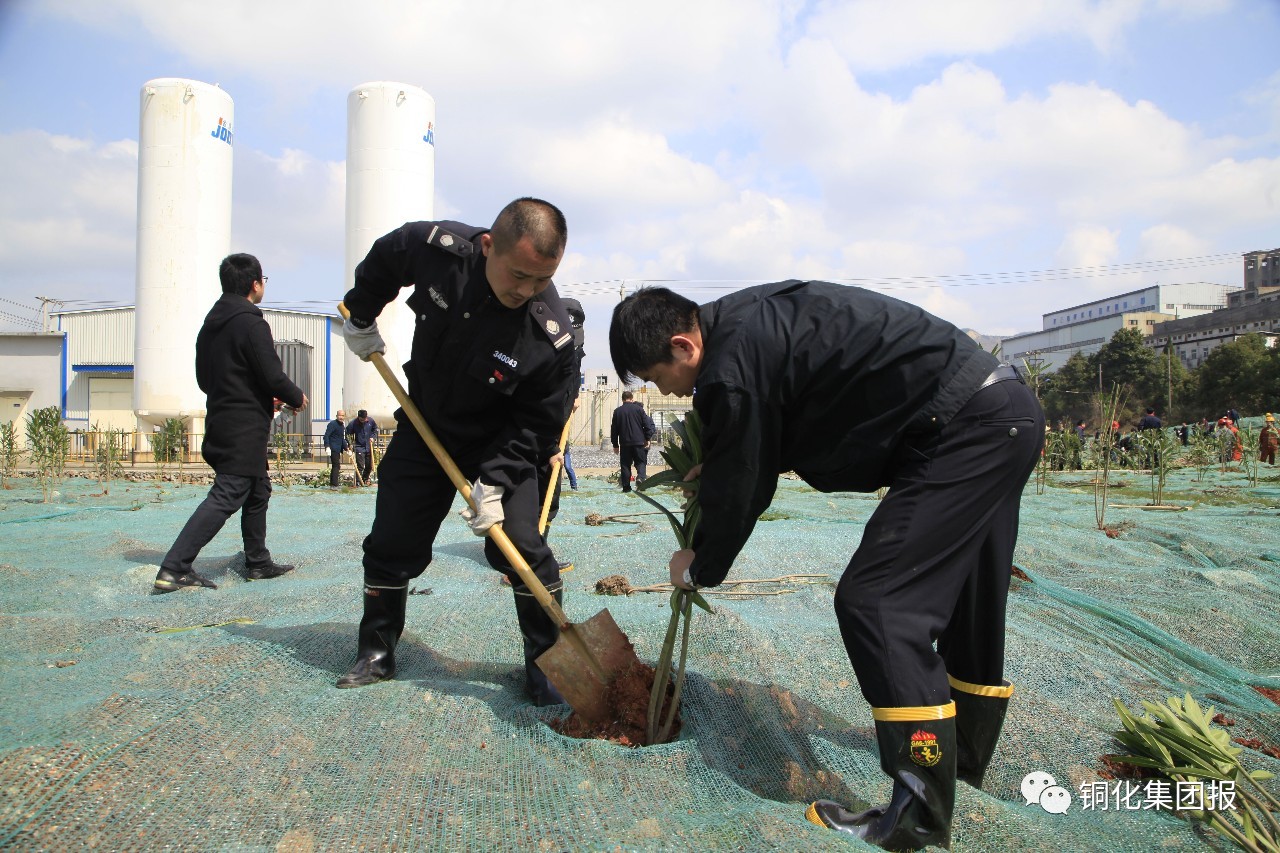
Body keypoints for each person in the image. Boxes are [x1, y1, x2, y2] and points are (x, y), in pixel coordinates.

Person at [609, 283, 1043, 851]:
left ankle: (916, 817)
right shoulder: (749, 322)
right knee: (971, 601)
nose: (663, 390)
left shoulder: (731, 362)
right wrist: (720, 463)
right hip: (1002, 413)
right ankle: (959, 766)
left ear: (683, 345)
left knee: (879, 603)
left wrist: (699, 565)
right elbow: (780, 421)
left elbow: (745, 486)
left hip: (963, 432)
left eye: (657, 375)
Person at [336, 197, 579, 707]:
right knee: (392, 539)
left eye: (541, 281)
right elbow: (387, 256)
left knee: (520, 546)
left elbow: (539, 422)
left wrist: (495, 478)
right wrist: (362, 313)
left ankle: (546, 663)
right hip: (427, 429)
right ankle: (375, 649)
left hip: (500, 445)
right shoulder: (437, 249)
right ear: (487, 246)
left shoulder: (550, 334)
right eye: (517, 275)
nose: (526, 291)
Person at [154, 253, 306, 592]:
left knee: (258, 489)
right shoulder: (251, 323)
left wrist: (248, 396)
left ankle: (258, 562)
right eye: (263, 281)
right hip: (244, 427)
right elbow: (271, 373)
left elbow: (206, 379)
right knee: (229, 493)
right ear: (255, 284)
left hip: (223, 416)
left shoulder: (211, 325)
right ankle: (174, 568)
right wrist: (295, 396)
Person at [610, 390, 656, 491]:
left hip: (625, 443)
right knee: (640, 462)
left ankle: (626, 487)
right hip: (639, 442)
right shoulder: (639, 409)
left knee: (625, 465)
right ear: (632, 398)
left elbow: (614, 429)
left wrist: (615, 445)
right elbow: (647, 425)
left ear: (622, 399)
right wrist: (647, 438)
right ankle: (640, 478)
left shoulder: (617, 411)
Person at [346, 409, 379, 485]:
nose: (363, 420)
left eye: (364, 419)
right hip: (359, 447)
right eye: (361, 419)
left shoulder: (370, 421)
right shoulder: (353, 423)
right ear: (358, 417)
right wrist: (350, 443)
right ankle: (358, 481)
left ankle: (365, 479)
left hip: (369, 446)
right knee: (360, 466)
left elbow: (375, 429)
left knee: (369, 466)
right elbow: (348, 434)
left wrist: (373, 437)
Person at [323, 409, 350, 488]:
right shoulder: (332, 424)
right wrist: (327, 446)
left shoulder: (342, 426)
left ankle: (333, 484)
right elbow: (326, 436)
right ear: (336, 416)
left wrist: (346, 448)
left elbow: (342, 439)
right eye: (339, 415)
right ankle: (334, 484)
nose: (341, 417)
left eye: (342, 415)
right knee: (336, 465)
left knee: (336, 465)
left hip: (338, 448)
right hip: (333, 448)